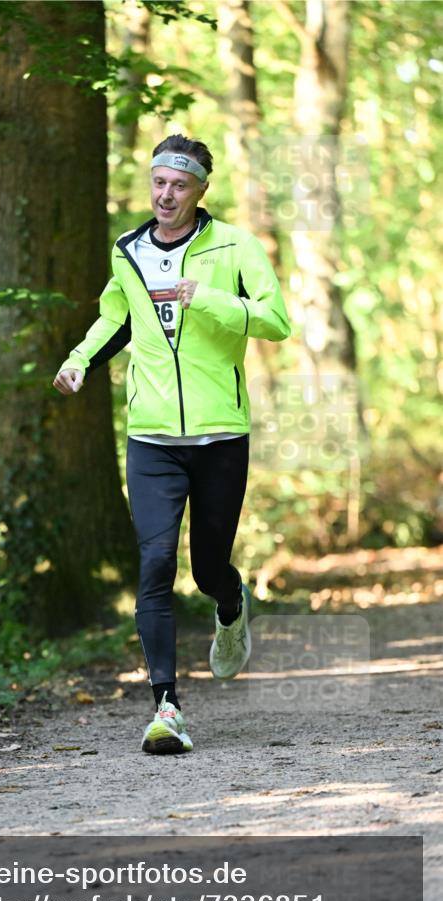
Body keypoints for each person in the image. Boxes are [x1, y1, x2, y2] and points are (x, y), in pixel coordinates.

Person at [53, 135, 290, 755]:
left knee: (209, 566)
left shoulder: (236, 246)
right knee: (155, 565)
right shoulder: (127, 250)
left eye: (179, 185)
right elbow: (116, 317)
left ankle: (231, 602)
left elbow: (276, 320)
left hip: (219, 437)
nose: (166, 194)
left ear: (201, 190)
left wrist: (208, 299)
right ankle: (166, 707)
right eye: (158, 182)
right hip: (151, 438)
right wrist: (80, 360)